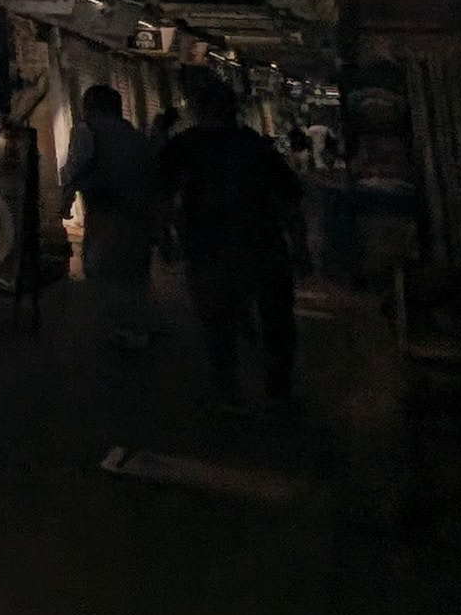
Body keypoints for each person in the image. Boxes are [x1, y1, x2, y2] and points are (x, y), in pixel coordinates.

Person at [158, 70, 308, 406]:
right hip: (263, 246)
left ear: (195, 109)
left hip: (209, 249)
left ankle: (227, 391)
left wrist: (167, 239)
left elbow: (165, 198)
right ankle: (278, 391)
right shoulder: (256, 147)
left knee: (217, 326)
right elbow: (288, 202)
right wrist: (301, 249)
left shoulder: (183, 148)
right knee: (277, 324)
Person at [61, 82, 164, 354]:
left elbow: (75, 168)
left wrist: (65, 202)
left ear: (91, 106)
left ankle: (123, 331)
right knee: (135, 275)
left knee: (105, 271)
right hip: (139, 215)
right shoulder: (132, 133)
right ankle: (139, 328)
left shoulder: (86, 130)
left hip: (108, 212)